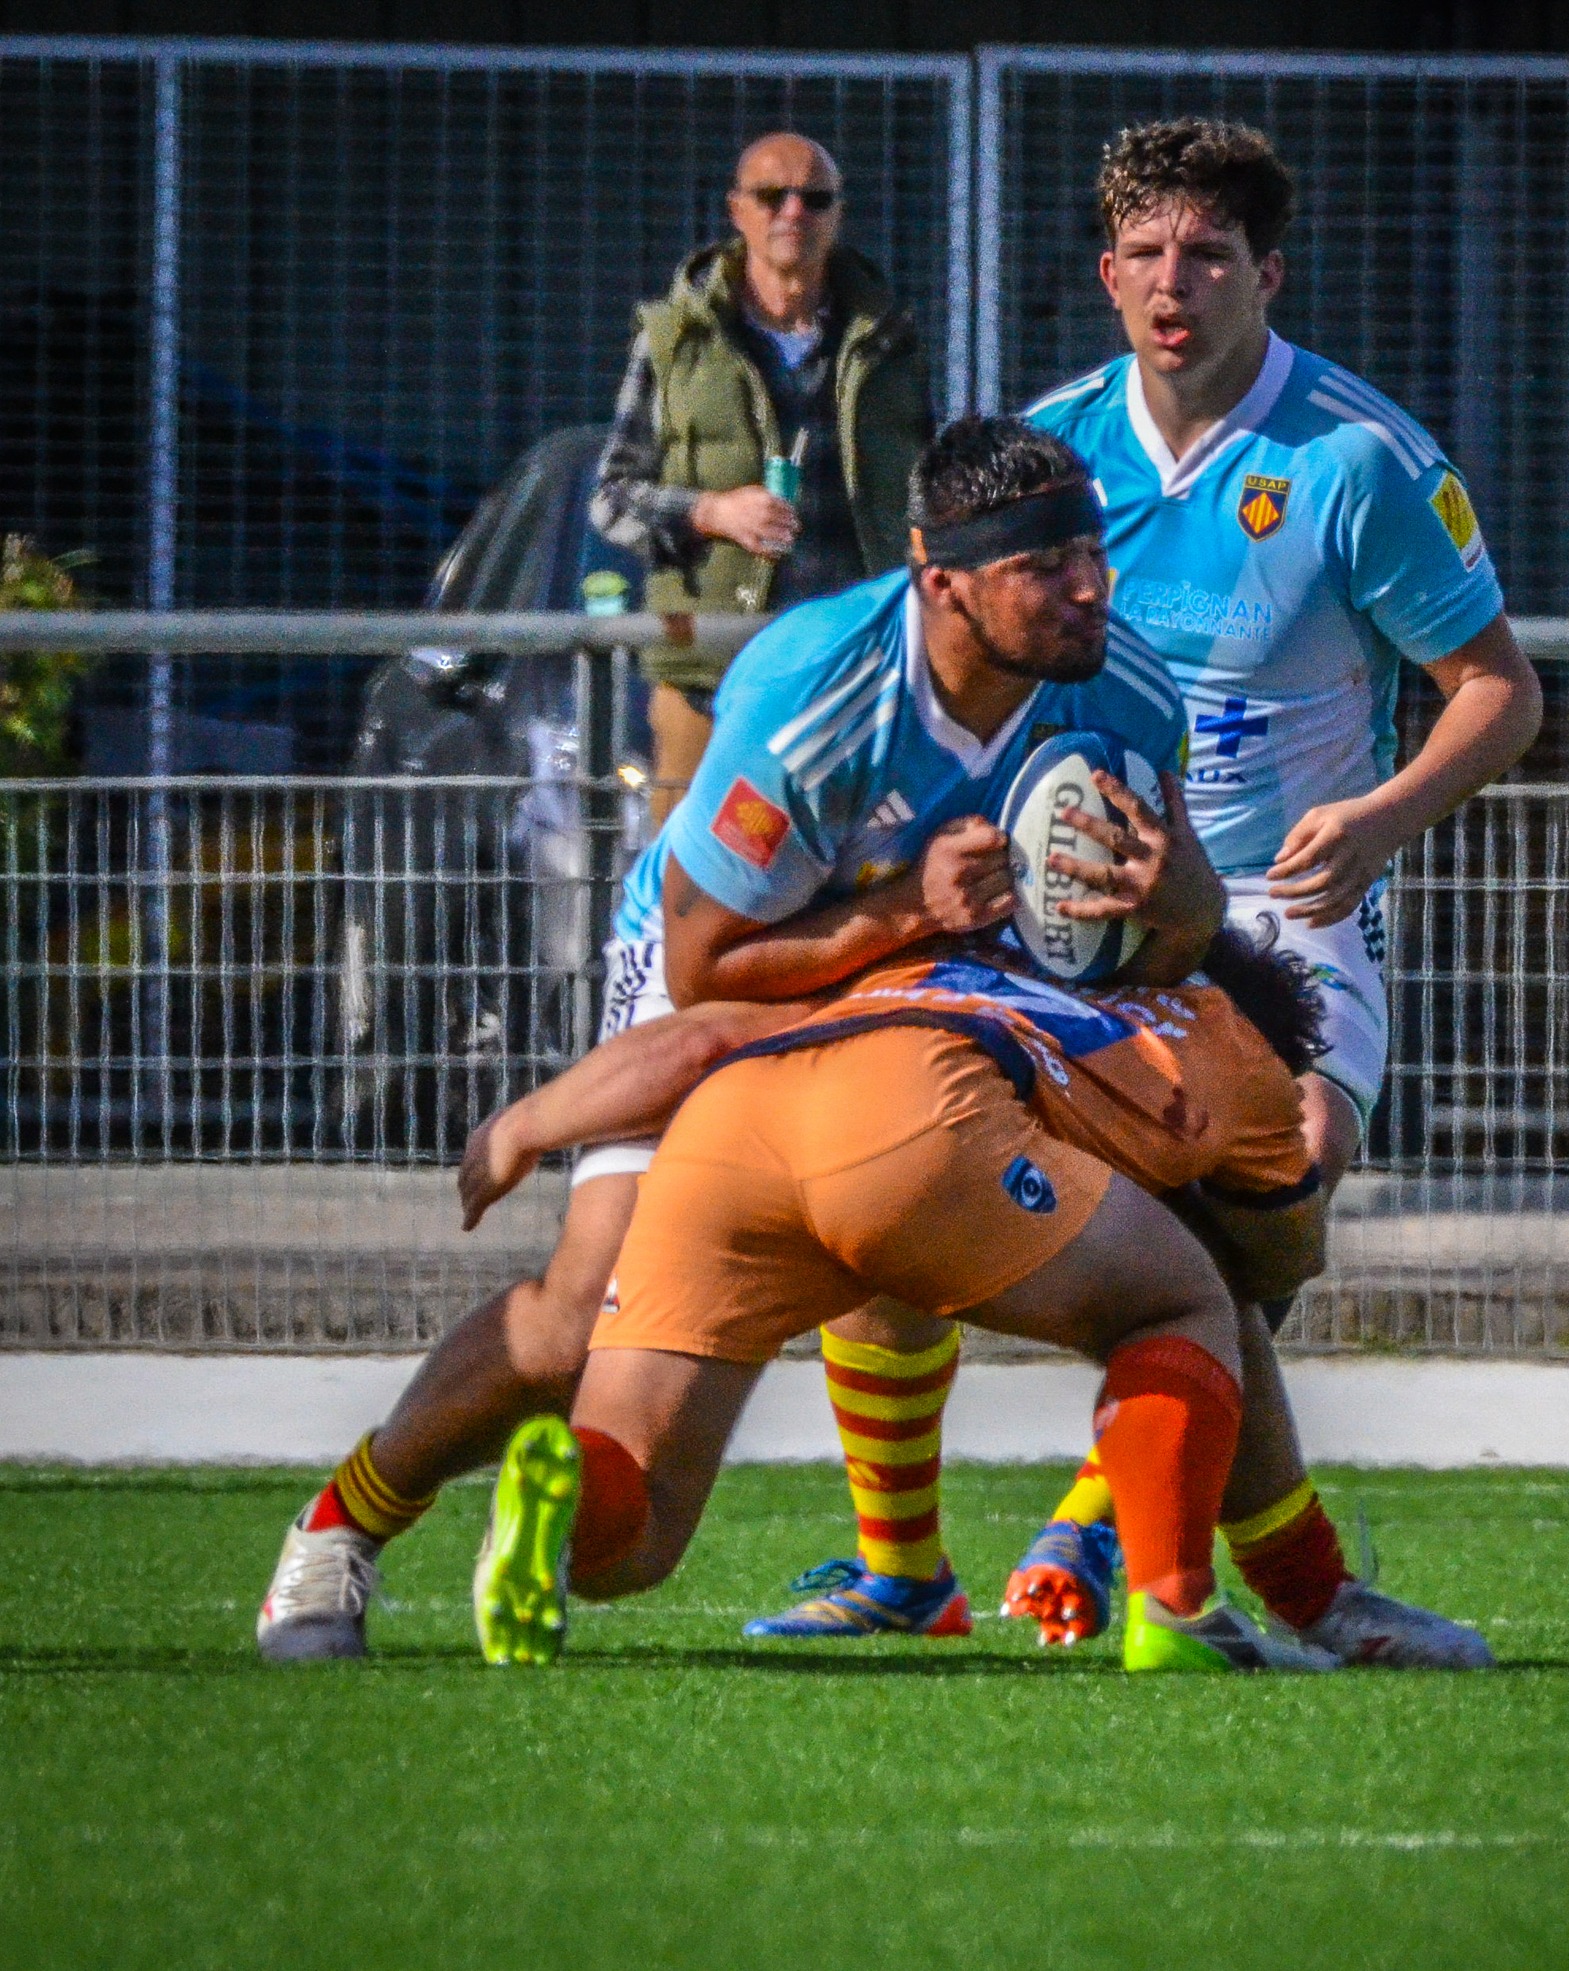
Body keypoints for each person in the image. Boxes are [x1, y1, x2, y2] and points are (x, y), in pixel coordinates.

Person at [769, 117, 1542, 1643]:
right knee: (884, 1170)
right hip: (1071, 903)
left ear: (1270, 270)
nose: (1172, 281)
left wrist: (1379, 818)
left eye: (1207, 253)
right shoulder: (1058, 453)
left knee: (1273, 1193)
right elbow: (955, 658)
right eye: (1145, 253)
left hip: (1277, 903)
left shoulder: (1358, 462)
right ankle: (905, 1566)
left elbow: (1500, 691)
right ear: (1106, 272)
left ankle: (1097, 1526)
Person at [254, 416, 1191, 1662]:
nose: (1087, 586)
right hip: (727, 948)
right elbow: (707, 975)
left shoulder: (1122, 682)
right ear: (942, 581)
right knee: (576, 1317)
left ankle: (909, 1569)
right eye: (1043, 566)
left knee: (910, 1205)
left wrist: (1161, 902)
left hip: (918, 970)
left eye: (1091, 551)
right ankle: (342, 1527)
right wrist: (909, 905)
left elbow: (1178, 917)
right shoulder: (813, 694)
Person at [471, 932, 1348, 1676]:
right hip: (915, 1114)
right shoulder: (1238, 1038)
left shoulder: (950, 960)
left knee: (637, 1539)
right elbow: (1283, 1258)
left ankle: (576, 1482)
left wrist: (523, 1124)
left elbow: (699, 1041)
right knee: (1191, 1300)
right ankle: (1176, 1608)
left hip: (731, 1120)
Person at [589, 131, 934, 823]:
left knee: (859, 889)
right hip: (710, 679)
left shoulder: (888, 341)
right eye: (771, 196)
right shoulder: (674, 341)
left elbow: (928, 494)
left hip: (855, 675)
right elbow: (611, 499)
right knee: (688, 890)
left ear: (838, 215)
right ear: (736, 211)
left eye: (815, 198)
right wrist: (711, 512)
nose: (793, 214)